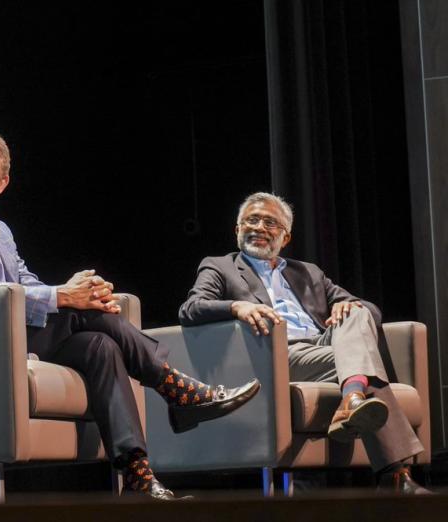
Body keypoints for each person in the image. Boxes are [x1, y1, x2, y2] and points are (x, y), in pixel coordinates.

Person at [0, 127, 260, 500]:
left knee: (100, 345)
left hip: (5, 339)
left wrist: (78, 295)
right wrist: (65, 296)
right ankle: (176, 387)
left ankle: (137, 474)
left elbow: (23, 280)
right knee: (81, 312)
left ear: (2, 182)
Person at [179, 192, 430, 494]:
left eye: (271, 223)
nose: (260, 227)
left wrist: (346, 305)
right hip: (275, 353)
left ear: (285, 238)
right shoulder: (221, 266)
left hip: (323, 346)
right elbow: (191, 309)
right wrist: (236, 307)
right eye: (252, 220)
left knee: (357, 311)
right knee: (364, 360)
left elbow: (371, 312)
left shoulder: (308, 272)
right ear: (237, 230)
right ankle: (394, 474)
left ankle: (352, 398)